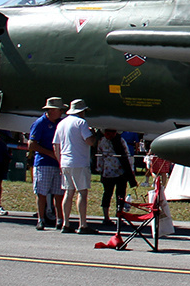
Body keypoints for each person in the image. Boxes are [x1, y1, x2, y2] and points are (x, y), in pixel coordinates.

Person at [54, 99, 95, 233]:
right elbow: (89, 141)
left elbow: (56, 145)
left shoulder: (61, 123)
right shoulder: (81, 123)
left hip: (65, 161)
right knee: (82, 192)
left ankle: (66, 223)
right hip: (79, 161)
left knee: (68, 192)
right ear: (81, 111)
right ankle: (82, 224)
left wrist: (60, 161)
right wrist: (95, 135)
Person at [29, 97, 67, 231]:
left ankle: (59, 219)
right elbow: (32, 144)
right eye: (59, 109)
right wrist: (49, 153)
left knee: (59, 193)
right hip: (43, 162)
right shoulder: (40, 123)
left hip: (57, 163)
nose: (61, 112)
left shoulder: (61, 123)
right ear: (51, 110)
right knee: (42, 193)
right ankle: (41, 219)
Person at [95, 126, 137, 229]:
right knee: (110, 194)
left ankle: (116, 216)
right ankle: (109, 217)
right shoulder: (105, 141)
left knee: (118, 194)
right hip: (112, 172)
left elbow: (126, 155)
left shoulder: (117, 141)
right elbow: (100, 156)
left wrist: (99, 169)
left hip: (117, 172)